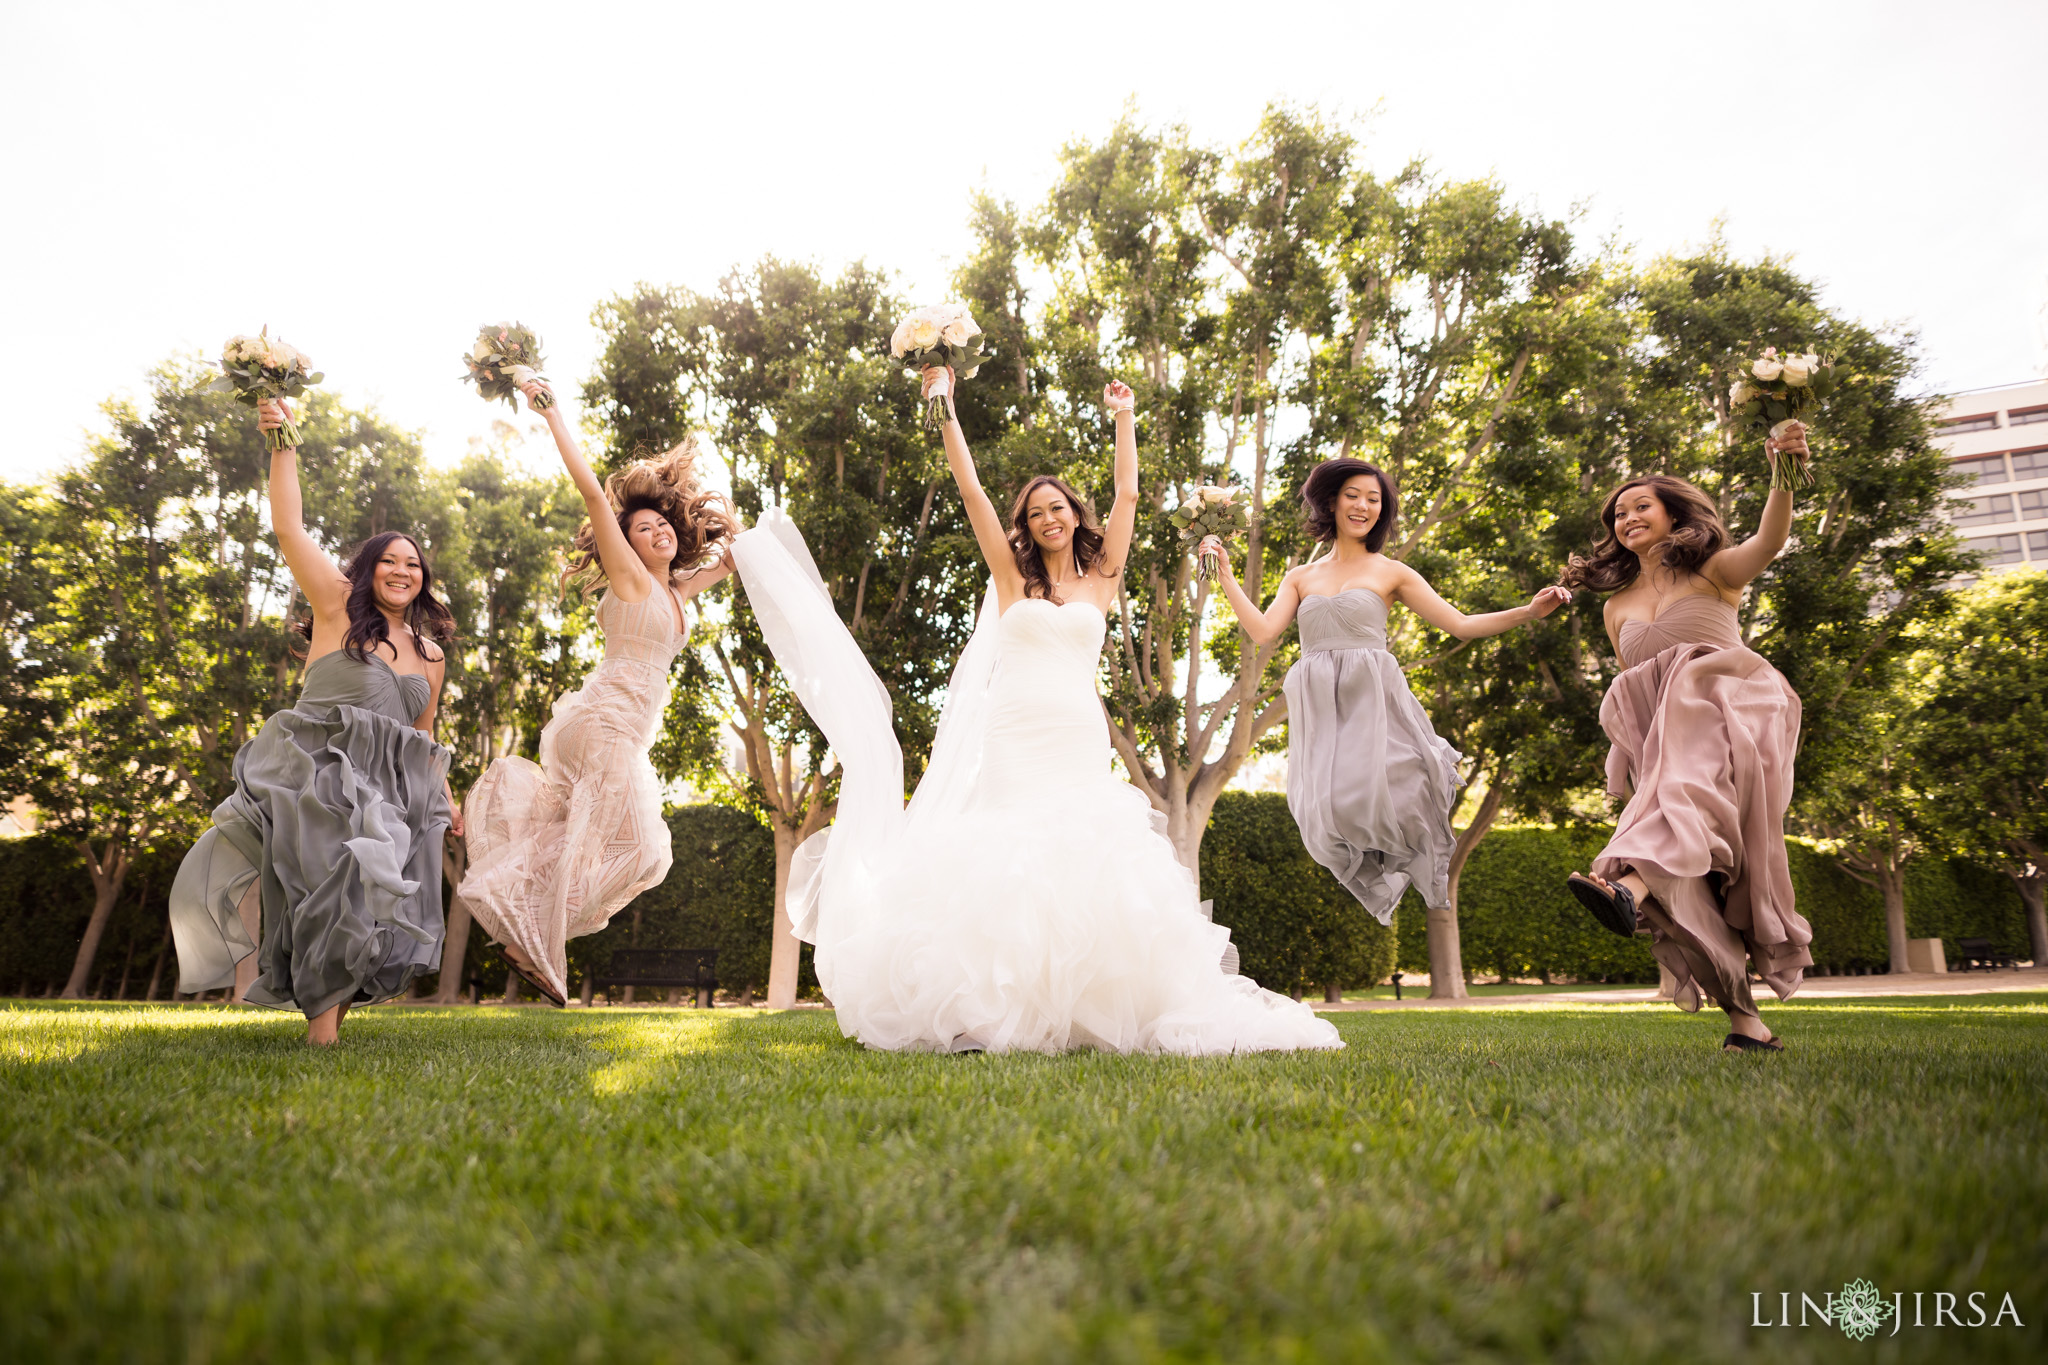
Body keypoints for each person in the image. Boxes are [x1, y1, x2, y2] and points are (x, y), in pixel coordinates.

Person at [729, 368, 1341, 1053]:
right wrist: (946, 408)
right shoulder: (1008, 574)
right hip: (1014, 731)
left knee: (1080, 851)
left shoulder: (1103, 573)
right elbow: (971, 491)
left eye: (1059, 507)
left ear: (1076, 514)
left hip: (1075, 731)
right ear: (1026, 525)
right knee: (1006, 854)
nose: (1049, 517)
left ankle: (1087, 1010)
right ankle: (987, 1011)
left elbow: (1129, 492)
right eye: (1037, 511)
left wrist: (1124, 417)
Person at [169, 397, 457, 1045]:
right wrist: (283, 443)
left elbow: (424, 734)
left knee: (366, 901)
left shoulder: (431, 655)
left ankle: (330, 1021)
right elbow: (290, 528)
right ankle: (320, 1034)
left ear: (424, 579)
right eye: (390, 559)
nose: (402, 570)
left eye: (413, 564)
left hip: (390, 789)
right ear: (368, 567)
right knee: (331, 883)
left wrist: (444, 797)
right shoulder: (334, 607)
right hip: (317, 770)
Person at [456, 377, 737, 1006]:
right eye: (641, 528)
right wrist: (553, 413)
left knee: (630, 851)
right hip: (603, 724)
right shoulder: (632, 580)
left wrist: (748, 541)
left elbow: (729, 562)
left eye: (663, 523)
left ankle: (525, 930)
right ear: (625, 541)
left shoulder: (673, 593)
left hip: (620, 733)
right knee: (633, 843)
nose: (657, 532)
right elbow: (590, 492)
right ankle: (529, 929)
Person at [1204, 457, 1569, 924]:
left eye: (1374, 500)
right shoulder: (1301, 577)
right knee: (1323, 807)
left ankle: (1404, 846)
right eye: (1353, 495)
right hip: (1320, 700)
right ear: (1332, 502)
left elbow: (1459, 624)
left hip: (1370, 695)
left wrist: (1528, 612)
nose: (1363, 506)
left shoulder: (1392, 572)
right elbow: (1261, 631)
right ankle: (1370, 859)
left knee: (1404, 780)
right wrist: (1227, 576)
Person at [1559, 423, 1815, 1053]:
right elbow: (1640, 688)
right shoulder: (1614, 608)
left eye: (1640, 505)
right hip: (1663, 741)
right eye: (1618, 513)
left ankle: (1627, 883)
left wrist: (1784, 473)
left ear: (1674, 512)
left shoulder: (1715, 573)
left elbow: (1770, 540)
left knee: (1681, 809)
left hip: (1728, 719)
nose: (1627, 518)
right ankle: (1746, 1023)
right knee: (1689, 887)